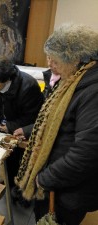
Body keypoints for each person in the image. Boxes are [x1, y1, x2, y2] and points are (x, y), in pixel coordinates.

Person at [15, 24, 98, 225]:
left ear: (76, 59)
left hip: (66, 190)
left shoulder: (92, 91)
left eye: (54, 59)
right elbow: (51, 121)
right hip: (57, 182)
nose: (49, 63)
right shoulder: (73, 78)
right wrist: (28, 131)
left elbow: (87, 151)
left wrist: (45, 178)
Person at [0, 55, 44, 207]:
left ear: (6, 80)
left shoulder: (28, 87)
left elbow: (35, 118)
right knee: (8, 163)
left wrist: (10, 126)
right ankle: (12, 191)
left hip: (24, 132)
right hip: (6, 130)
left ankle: (24, 196)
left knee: (23, 165)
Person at [13, 68, 61, 139]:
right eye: (48, 58)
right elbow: (44, 115)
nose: (50, 63)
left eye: (55, 61)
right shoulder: (51, 77)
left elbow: (59, 121)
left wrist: (28, 131)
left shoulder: (66, 82)